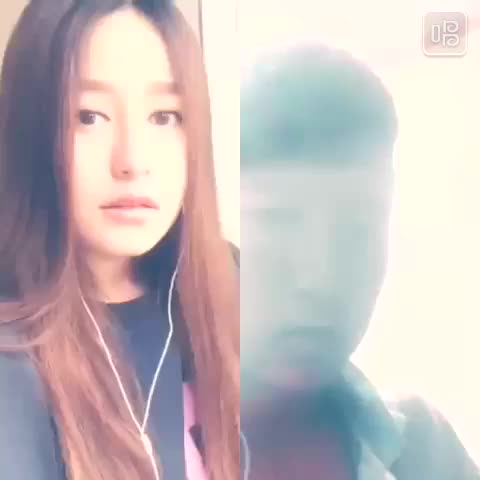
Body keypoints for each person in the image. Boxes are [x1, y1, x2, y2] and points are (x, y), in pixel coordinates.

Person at [0, 1, 239, 480]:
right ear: (30, 127)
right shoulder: (13, 357)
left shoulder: (230, 284)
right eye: (89, 116)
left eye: (164, 116)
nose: (132, 161)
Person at [240, 43, 479, 479]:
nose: (320, 277)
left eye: (359, 230)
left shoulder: (424, 453)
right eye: (276, 223)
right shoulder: (129, 451)